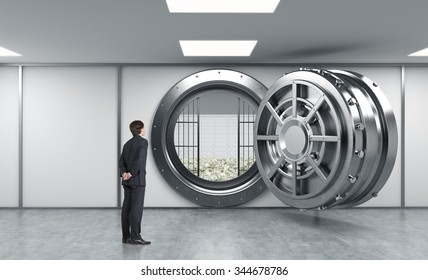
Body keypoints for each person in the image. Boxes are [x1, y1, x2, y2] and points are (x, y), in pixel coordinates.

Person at [119, 120, 150, 245]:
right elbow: (140, 160)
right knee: (136, 209)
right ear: (141, 129)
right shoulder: (143, 142)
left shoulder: (127, 144)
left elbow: (121, 162)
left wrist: (124, 173)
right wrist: (131, 173)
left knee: (126, 209)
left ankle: (126, 237)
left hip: (126, 181)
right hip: (137, 180)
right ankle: (136, 237)